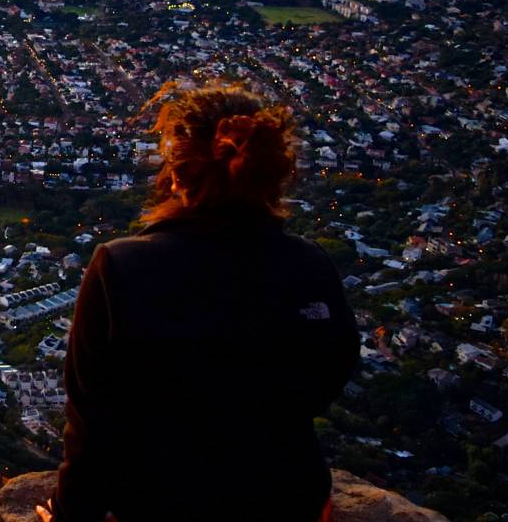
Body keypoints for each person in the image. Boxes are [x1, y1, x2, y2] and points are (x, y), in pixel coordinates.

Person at [43, 85, 358, 522]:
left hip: (159, 503)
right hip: (289, 498)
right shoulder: (311, 265)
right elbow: (329, 377)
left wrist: (69, 515)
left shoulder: (122, 267)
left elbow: (91, 424)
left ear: (176, 174)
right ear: (269, 175)